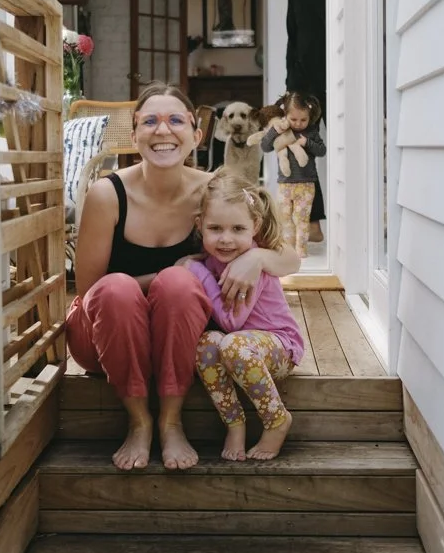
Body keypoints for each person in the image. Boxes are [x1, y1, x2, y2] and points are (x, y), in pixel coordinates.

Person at [65, 82, 300, 473]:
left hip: (177, 341)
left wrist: (256, 256)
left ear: (196, 133)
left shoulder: (214, 192)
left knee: (179, 286)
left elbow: (290, 260)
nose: (163, 131)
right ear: (135, 132)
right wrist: (167, 275)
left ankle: (170, 420)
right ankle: (138, 420)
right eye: (150, 121)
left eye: (176, 120)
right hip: (108, 334)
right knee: (129, 286)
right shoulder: (107, 195)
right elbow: (90, 294)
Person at [182, 168, 304, 462]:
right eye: (215, 229)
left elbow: (231, 321)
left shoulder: (252, 268)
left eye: (238, 229)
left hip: (278, 346)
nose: (226, 239)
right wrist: (200, 263)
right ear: (200, 226)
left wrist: (195, 270)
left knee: (230, 341)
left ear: (255, 226)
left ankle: (276, 420)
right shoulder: (212, 261)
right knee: (207, 343)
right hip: (240, 348)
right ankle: (234, 423)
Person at [286, 0, 327, 242]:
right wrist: (292, 91)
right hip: (304, 88)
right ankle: (313, 224)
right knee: (301, 155)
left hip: (337, 83)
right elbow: (293, 41)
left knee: (342, 149)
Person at [260, 92, 326, 260]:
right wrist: (274, 130)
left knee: (301, 219)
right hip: (285, 184)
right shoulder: (281, 131)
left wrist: (307, 143)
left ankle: (301, 251)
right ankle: (289, 251)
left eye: (303, 120)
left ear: (309, 117)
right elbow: (265, 147)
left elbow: (322, 150)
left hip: (306, 185)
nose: (298, 124)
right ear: (285, 115)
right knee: (285, 219)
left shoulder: (310, 132)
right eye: (293, 119)